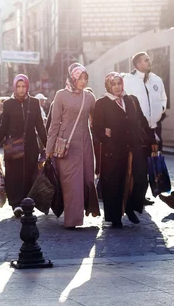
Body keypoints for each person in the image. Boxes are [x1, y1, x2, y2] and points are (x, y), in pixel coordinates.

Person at [93, 72, 155, 228]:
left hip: (133, 147)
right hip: (113, 150)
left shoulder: (131, 100)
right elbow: (96, 128)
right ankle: (115, 217)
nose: (117, 87)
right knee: (115, 183)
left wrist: (153, 140)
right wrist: (104, 134)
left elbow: (142, 121)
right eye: (113, 84)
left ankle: (131, 206)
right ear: (108, 86)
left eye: (119, 83)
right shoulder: (102, 103)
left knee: (140, 178)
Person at [46, 63, 100, 228]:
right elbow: (54, 124)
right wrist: (49, 150)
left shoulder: (89, 97)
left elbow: (96, 121)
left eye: (85, 78)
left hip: (85, 145)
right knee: (71, 183)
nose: (83, 82)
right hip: (66, 147)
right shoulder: (61, 95)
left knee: (88, 180)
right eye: (79, 78)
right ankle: (72, 220)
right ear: (72, 78)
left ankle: (89, 209)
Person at [0, 75, 47, 215]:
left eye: (23, 86)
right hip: (13, 146)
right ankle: (16, 204)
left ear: (27, 87)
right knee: (14, 175)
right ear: (15, 87)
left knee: (29, 174)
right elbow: (3, 127)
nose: (21, 90)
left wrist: (47, 145)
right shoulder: (8, 104)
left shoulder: (34, 102)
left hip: (31, 146)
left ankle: (28, 202)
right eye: (18, 86)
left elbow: (40, 127)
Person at [122, 52, 167, 205]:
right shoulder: (128, 81)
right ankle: (135, 196)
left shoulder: (156, 80)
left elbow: (163, 98)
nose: (149, 62)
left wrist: (160, 111)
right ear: (138, 64)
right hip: (136, 129)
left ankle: (142, 195)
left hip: (152, 128)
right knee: (138, 164)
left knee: (150, 162)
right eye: (146, 60)